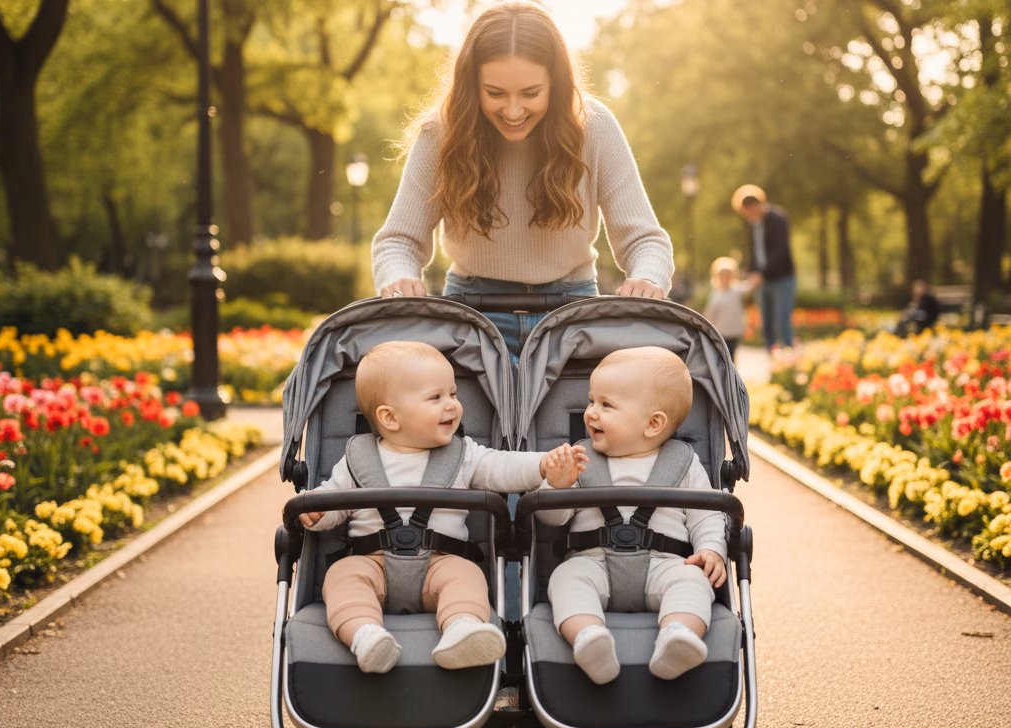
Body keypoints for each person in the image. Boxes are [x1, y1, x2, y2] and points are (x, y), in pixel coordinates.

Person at [371, 2, 674, 362]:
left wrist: (648, 279)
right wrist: (399, 278)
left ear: (556, 84)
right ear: (472, 85)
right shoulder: (440, 135)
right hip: (472, 316)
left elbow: (646, 241)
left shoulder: (594, 127)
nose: (513, 111)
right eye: (495, 93)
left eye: (530, 93)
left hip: (571, 314)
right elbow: (397, 242)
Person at [297, 341, 587, 674]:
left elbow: (502, 467)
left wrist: (545, 465)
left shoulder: (464, 455)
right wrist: (317, 513)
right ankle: (365, 635)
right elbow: (335, 502)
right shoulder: (356, 459)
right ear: (390, 417)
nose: (452, 405)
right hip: (371, 563)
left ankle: (461, 629)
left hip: (442, 562)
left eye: (453, 394)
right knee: (341, 577)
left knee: (467, 577)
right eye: (436, 398)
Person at [537, 347, 727, 685]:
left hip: (666, 563)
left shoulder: (683, 463)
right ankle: (588, 638)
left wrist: (711, 549)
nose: (591, 413)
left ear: (653, 424)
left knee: (694, 582)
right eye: (591, 401)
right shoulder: (580, 459)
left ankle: (678, 636)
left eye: (606, 405)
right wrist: (557, 487)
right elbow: (555, 520)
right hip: (592, 562)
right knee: (565, 579)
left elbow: (707, 514)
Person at [732, 185, 797, 351]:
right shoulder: (752, 225)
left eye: (749, 210)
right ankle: (773, 358)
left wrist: (762, 273)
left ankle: (788, 359)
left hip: (782, 278)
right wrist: (750, 270)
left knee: (782, 322)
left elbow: (780, 250)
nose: (748, 215)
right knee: (766, 324)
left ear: (757, 204)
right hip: (762, 280)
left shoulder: (778, 219)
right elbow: (754, 252)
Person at [702, 255, 750, 360]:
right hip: (720, 331)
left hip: (734, 330)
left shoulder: (737, 290)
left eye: (728, 275)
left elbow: (750, 286)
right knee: (721, 357)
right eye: (723, 275)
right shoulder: (716, 294)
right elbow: (710, 312)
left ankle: (731, 375)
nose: (725, 278)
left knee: (732, 356)